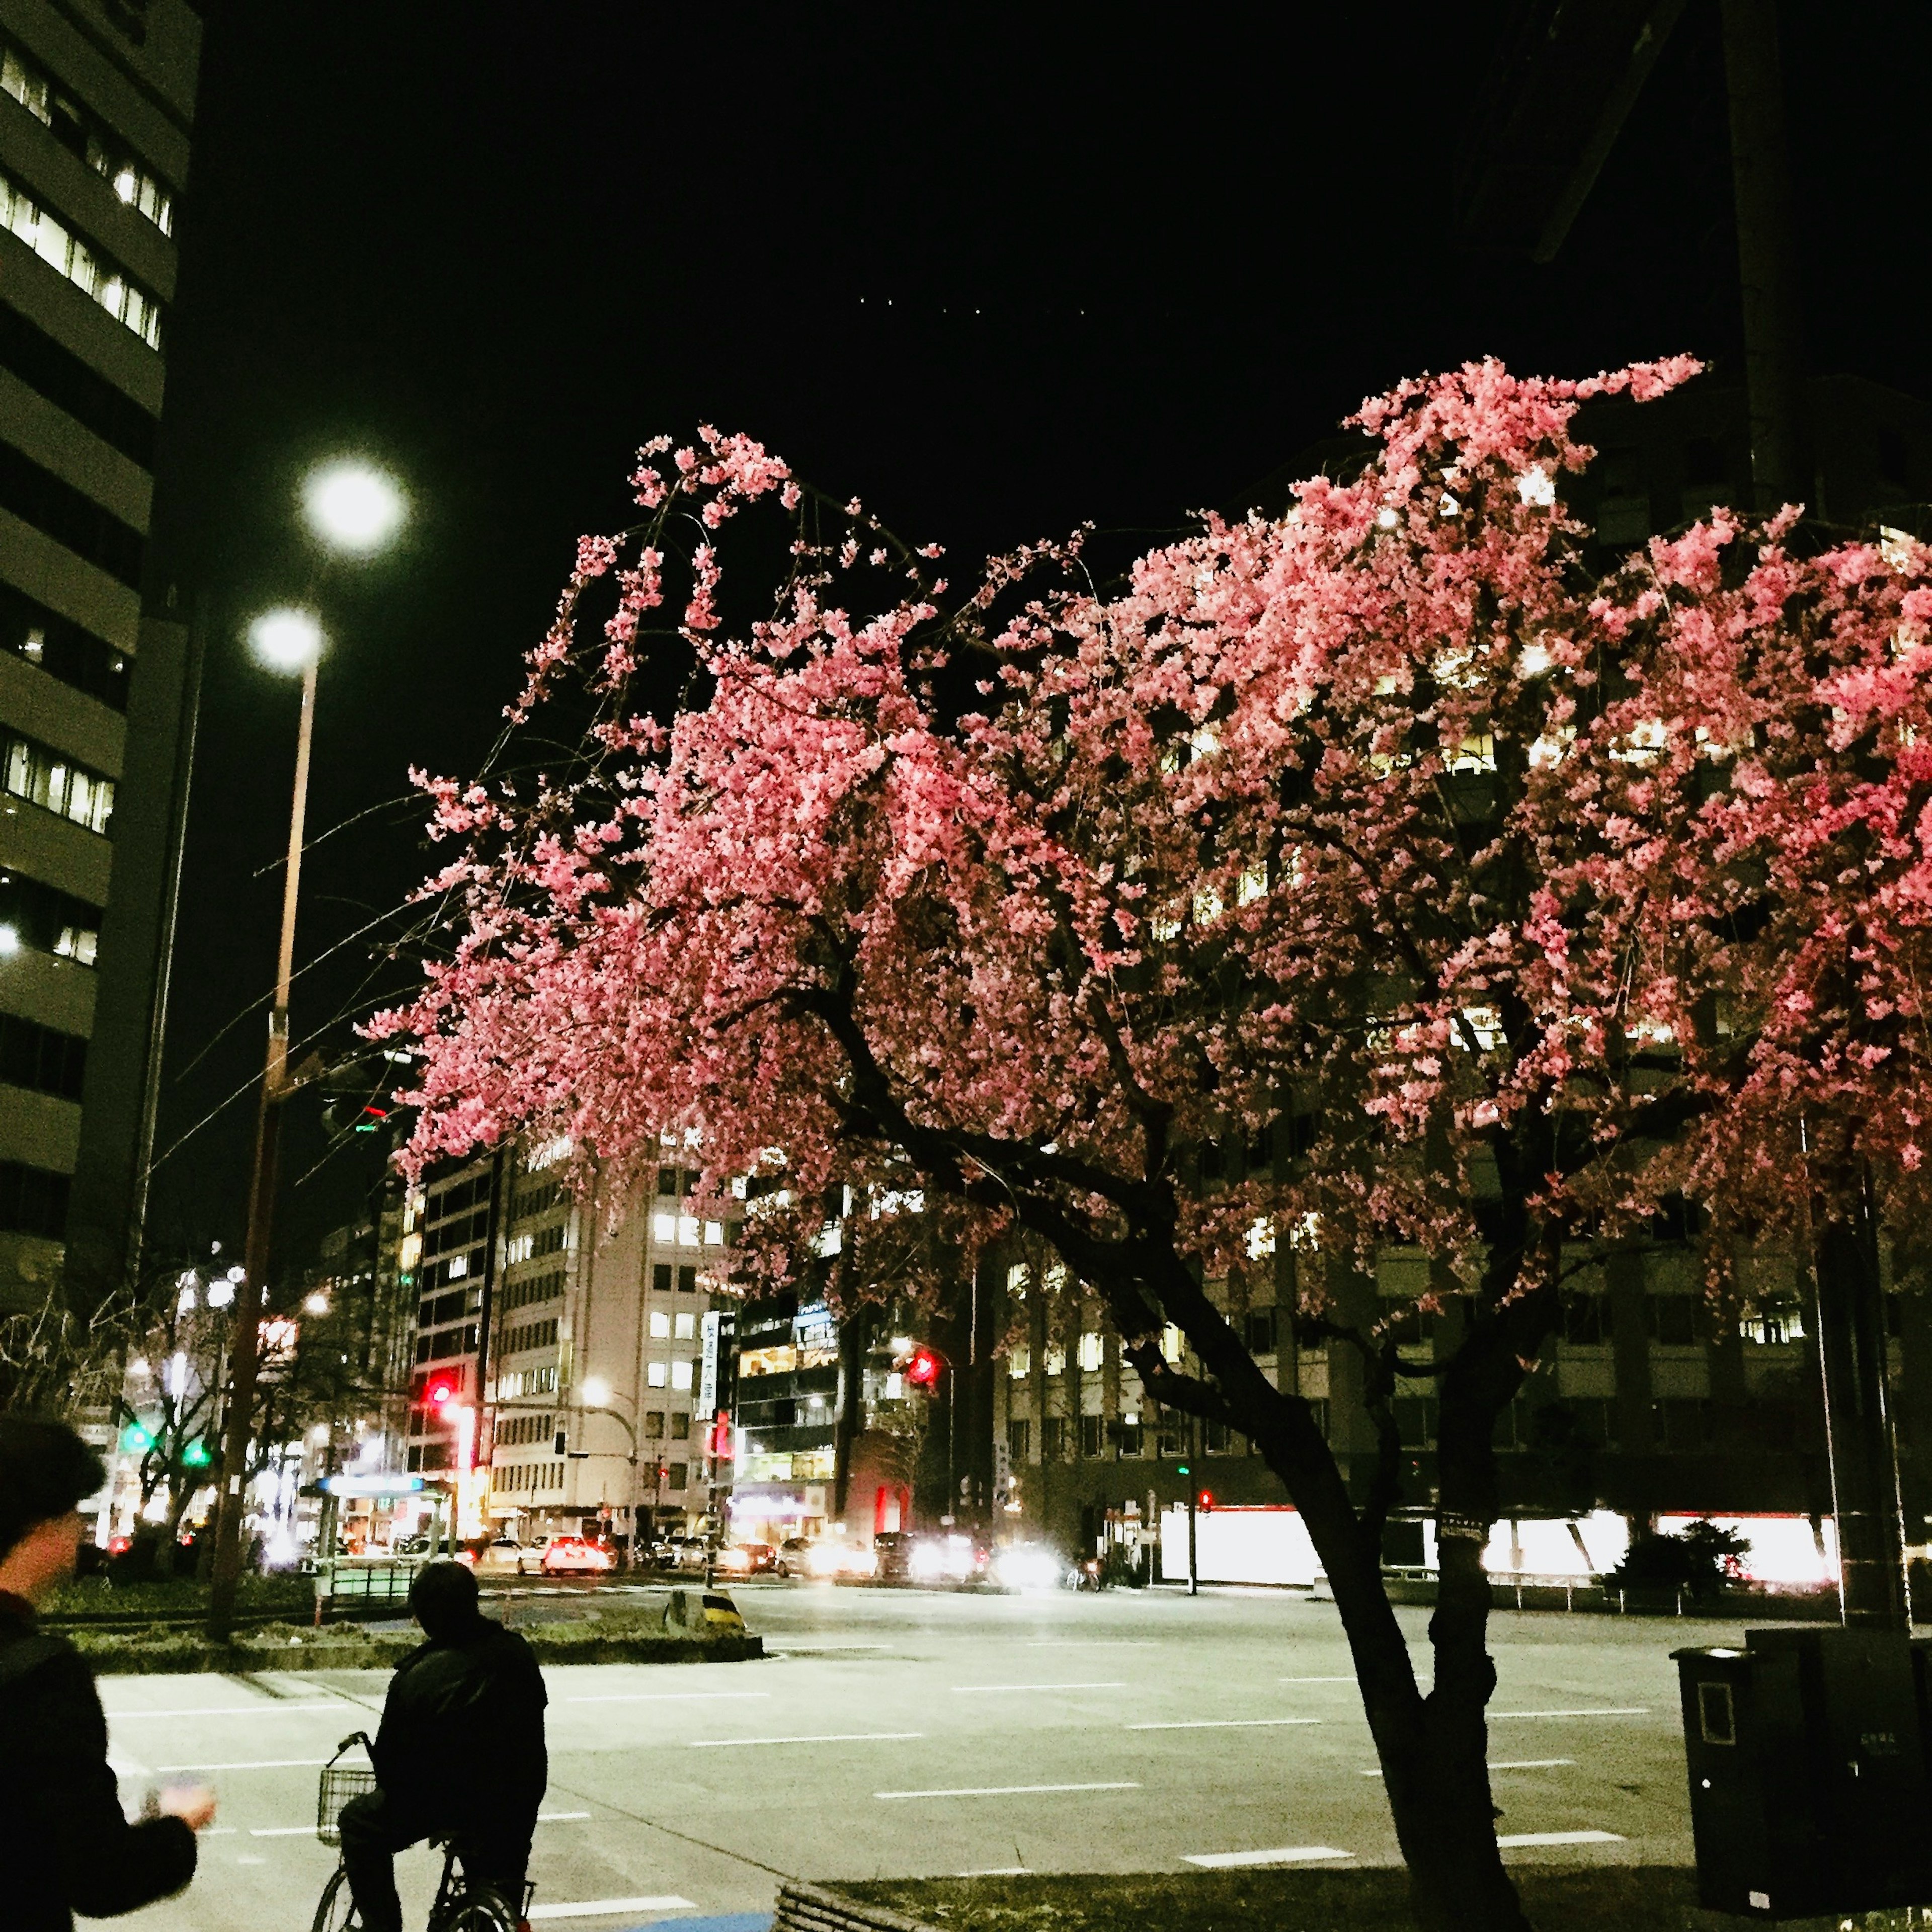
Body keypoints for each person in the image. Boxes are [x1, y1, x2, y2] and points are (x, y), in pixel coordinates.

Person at [0, 1416, 216, 1932]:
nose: (78, 1531)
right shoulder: (42, 1678)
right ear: (43, 1527)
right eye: (74, 1513)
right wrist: (179, 1825)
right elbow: (100, 1878)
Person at [340, 1559, 548, 1932]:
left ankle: (382, 1928)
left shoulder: (418, 1674)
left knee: (357, 1823)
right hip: (516, 1799)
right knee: (499, 1887)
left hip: (440, 1802)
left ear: (426, 1616)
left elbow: (391, 1765)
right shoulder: (518, 1653)